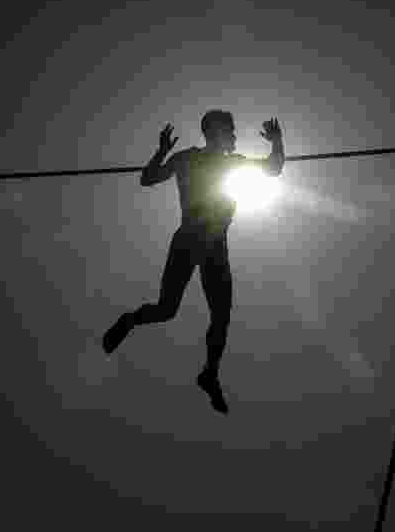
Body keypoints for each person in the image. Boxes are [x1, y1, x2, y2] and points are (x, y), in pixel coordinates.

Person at [102, 110, 285, 414]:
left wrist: (277, 143)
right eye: (231, 131)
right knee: (166, 309)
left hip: (215, 247)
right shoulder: (187, 158)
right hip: (188, 240)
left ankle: (209, 374)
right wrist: (161, 152)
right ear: (215, 131)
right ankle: (129, 321)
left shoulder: (234, 162)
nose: (236, 136)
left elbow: (274, 168)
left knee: (222, 317)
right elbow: (147, 179)